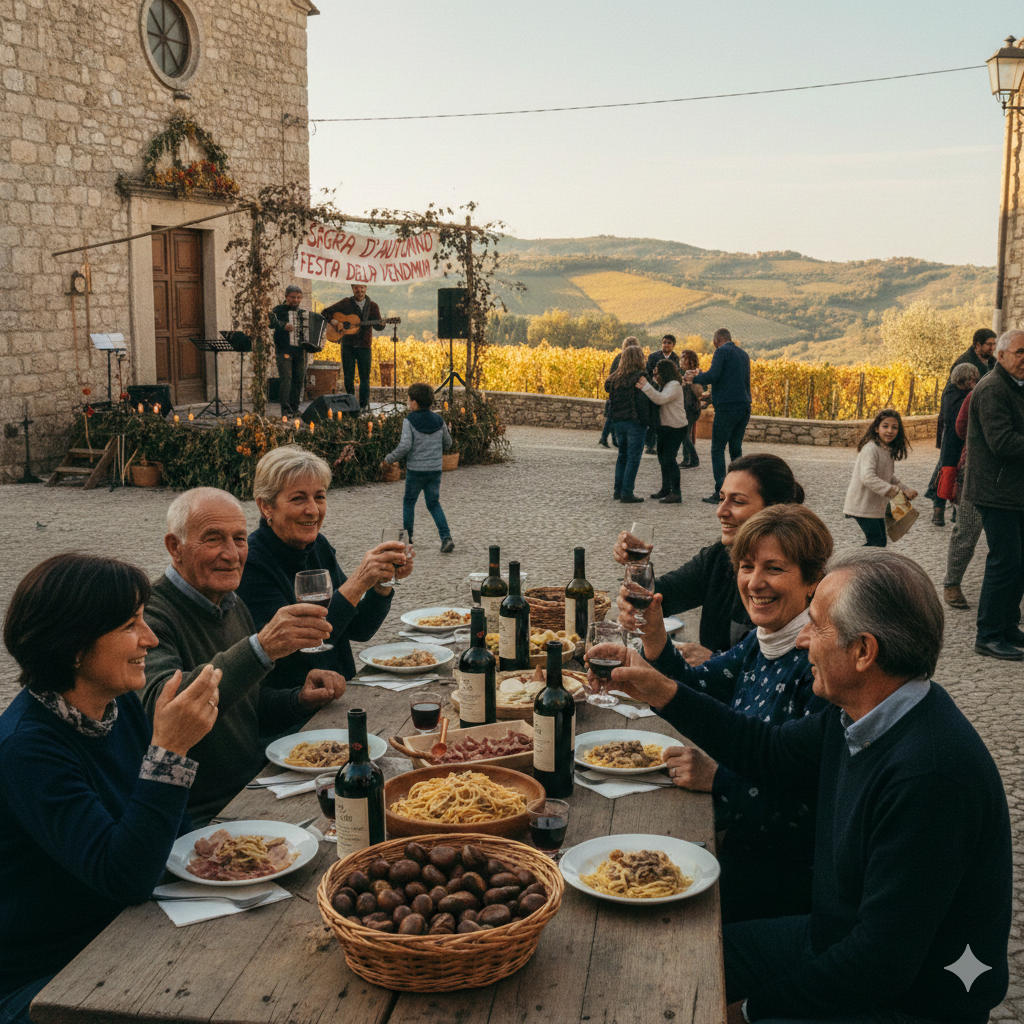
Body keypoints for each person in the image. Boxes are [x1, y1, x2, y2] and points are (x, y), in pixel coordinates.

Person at [597, 549, 1012, 1024]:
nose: (802, 642)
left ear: (863, 652)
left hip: (911, 1001)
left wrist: (748, 1011)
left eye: (816, 625)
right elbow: (766, 751)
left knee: (703, 994)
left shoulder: (930, 776)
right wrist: (659, 690)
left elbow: (879, 963)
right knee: (676, 953)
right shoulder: (857, 712)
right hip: (830, 937)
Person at [0, 553, 219, 1024]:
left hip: (128, 928)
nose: (151, 639)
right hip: (51, 977)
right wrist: (170, 752)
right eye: (129, 625)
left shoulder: (115, 708)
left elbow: (176, 834)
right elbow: (124, 877)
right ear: (73, 647)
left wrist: (227, 865)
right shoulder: (26, 748)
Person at [618, 504, 831, 924]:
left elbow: (812, 806)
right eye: (747, 566)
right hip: (735, 842)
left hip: (780, 877)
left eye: (774, 568)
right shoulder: (763, 640)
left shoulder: (820, 667)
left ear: (812, 583)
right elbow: (699, 688)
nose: (755, 582)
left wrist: (719, 779)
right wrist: (655, 634)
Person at [142, 488, 347, 824]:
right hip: (196, 811)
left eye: (239, 539)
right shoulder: (151, 615)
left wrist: (299, 699)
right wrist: (260, 649)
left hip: (255, 784)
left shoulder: (230, 602)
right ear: (174, 547)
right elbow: (167, 710)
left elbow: (247, 709)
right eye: (213, 539)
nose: (232, 554)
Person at [237, 446, 411, 696]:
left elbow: (359, 629)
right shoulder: (253, 563)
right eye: (298, 498)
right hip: (297, 711)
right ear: (266, 506)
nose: (313, 510)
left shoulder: (318, 546)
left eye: (319, 496)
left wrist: (381, 584)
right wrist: (359, 580)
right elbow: (299, 651)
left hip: (341, 696)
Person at [614, 453, 805, 662]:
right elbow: (659, 598)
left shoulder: (799, 575)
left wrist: (716, 663)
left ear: (774, 509)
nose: (720, 511)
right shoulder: (719, 558)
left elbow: (786, 669)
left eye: (738, 501)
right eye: (721, 498)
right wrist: (639, 568)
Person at [962, 328, 1024, 662]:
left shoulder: (1016, 387)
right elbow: (1002, 442)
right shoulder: (992, 389)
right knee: (1005, 561)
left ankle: (1007, 625)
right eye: (1019, 352)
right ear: (1000, 355)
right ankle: (987, 635)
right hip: (995, 491)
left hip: (1016, 491)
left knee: (1021, 561)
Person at [383, 381, 455, 553]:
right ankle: (446, 538)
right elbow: (448, 443)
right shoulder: (439, 420)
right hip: (435, 470)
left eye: (408, 400)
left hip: (416, 471)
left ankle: (408, 539)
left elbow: (405, 446)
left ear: (414, 402)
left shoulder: (409, 421)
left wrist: (388, 459)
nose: (408, 403)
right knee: (433, 504)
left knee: (409, 502)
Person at [685, 328, 751, 503]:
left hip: (728, 409)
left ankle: (720, 492)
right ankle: (739, 490)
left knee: (717, 448)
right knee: (736, 449)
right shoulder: (743, 354)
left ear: (716, 340)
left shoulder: (721, 352)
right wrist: (713, 398)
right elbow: (735, 382)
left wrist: (695, 378)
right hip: (744, 406)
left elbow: (713, 376)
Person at [842, 407, 917, 547]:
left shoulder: (886, 449)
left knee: (879, 543)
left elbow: (888, 476)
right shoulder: (870, 449)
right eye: (885, 426)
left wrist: (905, 489)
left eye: (894, 427)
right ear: (877, 428)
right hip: (862, 505)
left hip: (875, 507)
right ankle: (851, 564)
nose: (890, 430)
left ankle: (857, 565)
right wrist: (894, 491)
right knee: (877, 543)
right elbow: (868, 477)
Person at [943, 389, 984, 610]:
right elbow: (960, 427)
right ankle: (952, 583)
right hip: (976, 470)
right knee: (967, 529)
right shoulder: (982, 390)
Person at [925, 363, 981, 526]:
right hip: (954, 441)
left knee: (954, 475)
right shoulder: (957, 394)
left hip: (953, 440)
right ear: (968, 379)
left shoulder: (953, 392)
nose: (975, 381)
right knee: (949, 475)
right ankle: (940, 510)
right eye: (973, 378)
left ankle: (953, 511)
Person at [321, 283, 385, 412]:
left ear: (366, 288)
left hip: (364, 346)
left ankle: (363, 406)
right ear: (352, 288)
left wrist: (382, 324)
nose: (359, 290)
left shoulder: (373, 306)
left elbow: (378, 326)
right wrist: (335, 322)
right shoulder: (345, 303)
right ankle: (350, 405)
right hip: (348, 346)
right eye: (356, 288)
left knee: (365, 378)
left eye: (362, 288)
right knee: (348, 377)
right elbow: (325, 312)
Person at [604, 342, 654, 503]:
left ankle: (618, 490)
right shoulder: (640, 378)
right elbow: (647, 400)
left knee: (622, 456)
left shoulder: (614, 378)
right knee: (633, 457)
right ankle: (627, 492)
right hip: (635, 421)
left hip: (619, 421)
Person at [637, 358, 688, 503]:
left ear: (665, 373)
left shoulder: (674, 386)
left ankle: (676, 492)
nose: (656, 377)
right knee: (662, 458)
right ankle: (666, 488)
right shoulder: (666, 385)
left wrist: (646, 386)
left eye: (657, 374)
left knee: (670, 459)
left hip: (676, 428)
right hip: (665, 427)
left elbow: (660, 399)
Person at [269, 284, 308, 416]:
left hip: (299, 351)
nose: (296, 300)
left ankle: (294, 407)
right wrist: (283, 325)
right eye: (293, 297)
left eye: (298, 297)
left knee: (298, 380)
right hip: (284, 349)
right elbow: (270, 323)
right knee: (286, 379)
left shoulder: (302, 313)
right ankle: (285, 409)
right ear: (286, 297)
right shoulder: (278, 310)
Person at [598, 337, 641, 449]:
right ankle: (608, 438)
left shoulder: (618, 357)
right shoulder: (632, 359)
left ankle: (609, 438)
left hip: (615, 390)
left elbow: (611, 373)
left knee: (612, 415)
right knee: (612, 416)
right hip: (623, 392)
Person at [644, 335, 680, 454]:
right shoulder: (653, 357)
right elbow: (647, 373)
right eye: (664, 342)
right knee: (654, 418)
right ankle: (650, 444)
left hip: (669, 391)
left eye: (669, 343)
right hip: (655, 389)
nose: (666, 344)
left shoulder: (676, 358)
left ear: (673, 345)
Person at [678, 348, 703, 468]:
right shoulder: (682, 373)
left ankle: (694, 459)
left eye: (684, 357)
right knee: (684, 433)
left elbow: (703, 390)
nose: (681, 359)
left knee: (684, 434)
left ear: (691, 360)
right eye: (681, 357)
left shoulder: (695, 373)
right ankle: (686, 459)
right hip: (685, 407)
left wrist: (691, 381)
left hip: (691, 407)